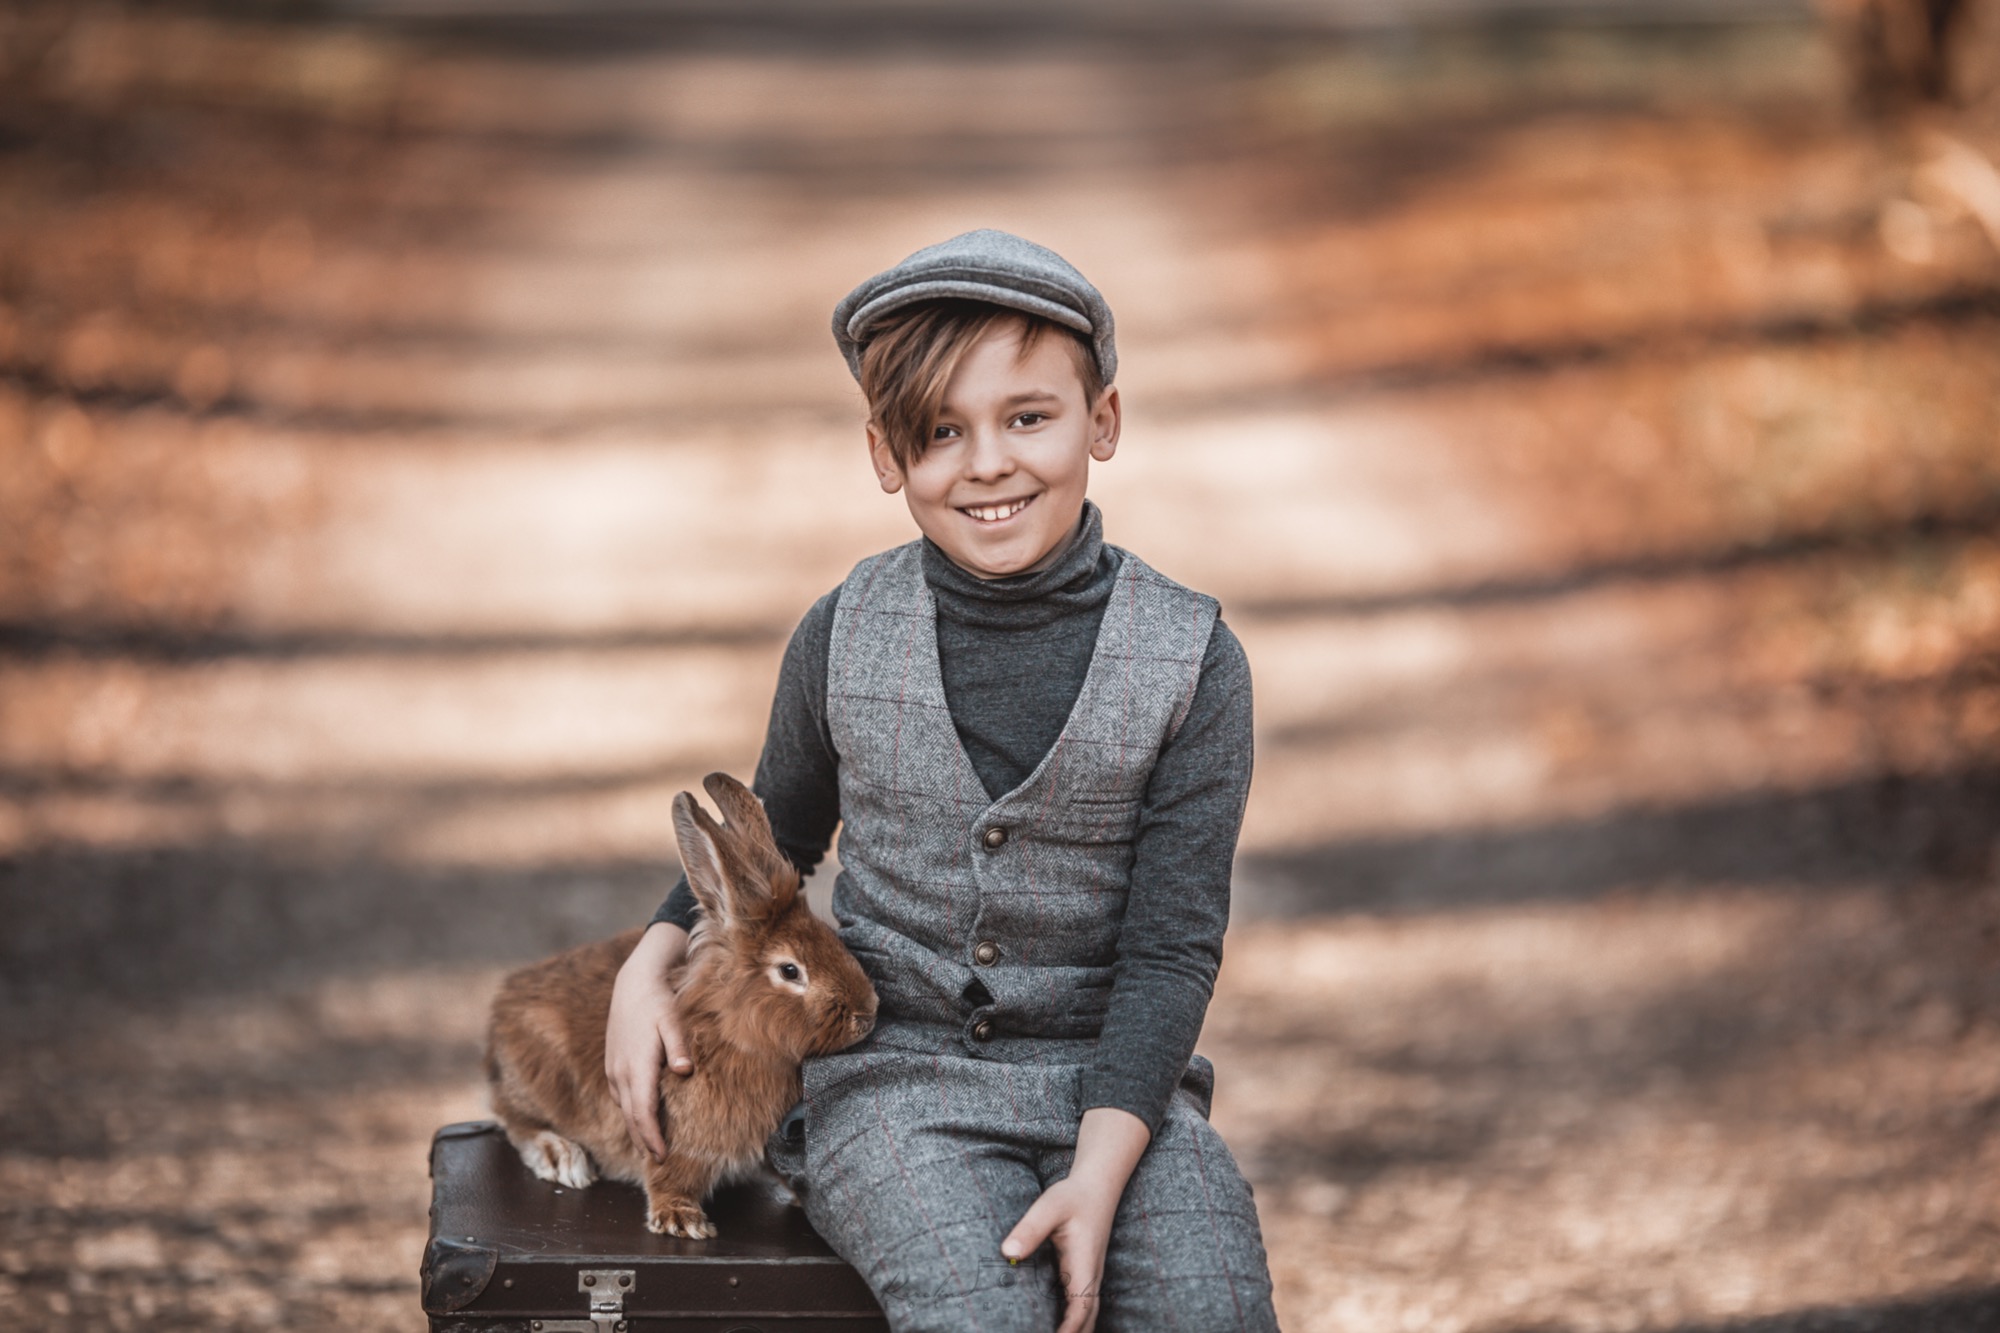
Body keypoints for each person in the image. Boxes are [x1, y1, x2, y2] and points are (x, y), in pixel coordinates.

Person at [604, 229, 1279, 1333]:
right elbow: (774, 850)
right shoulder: (842, 634)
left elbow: (1169, 947)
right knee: (981, 1315)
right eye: (939, 432)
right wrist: (650, 959)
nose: (986, 464)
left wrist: (1100, 1172)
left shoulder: (1192, 662)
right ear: (886, 455)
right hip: (892, 1088)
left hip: (1113, 1089)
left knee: (1210, 1305)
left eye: (1027, 417)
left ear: (1100, 421)